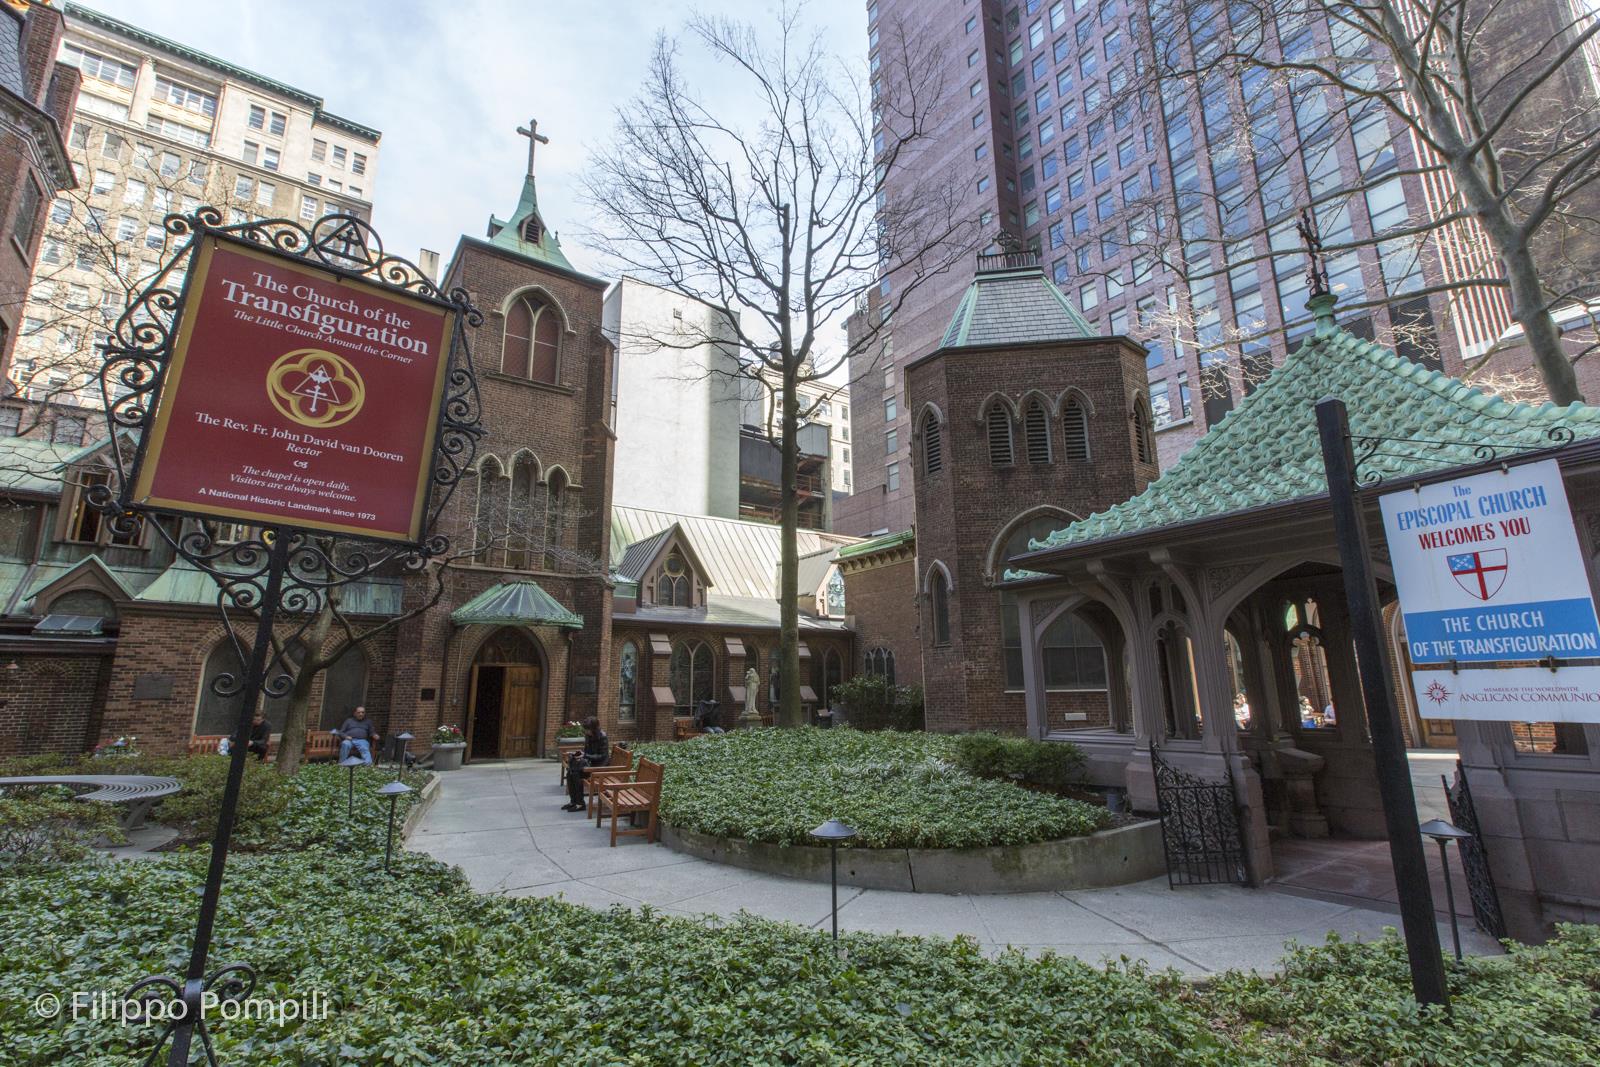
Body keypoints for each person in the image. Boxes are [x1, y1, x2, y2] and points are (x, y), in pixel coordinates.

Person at [562, 716, 609, 812]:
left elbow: (602, 756)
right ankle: (573, 801)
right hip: (590, 763)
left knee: (576, 773)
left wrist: (585, 756)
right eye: (586, 729)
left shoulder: (602, 737)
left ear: (594, 728)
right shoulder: (589, 736)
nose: (586, 731)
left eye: (588, 729)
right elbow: (587, 751)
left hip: (599, 766)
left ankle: (580, 803)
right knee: (570, 773)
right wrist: (580, 754)